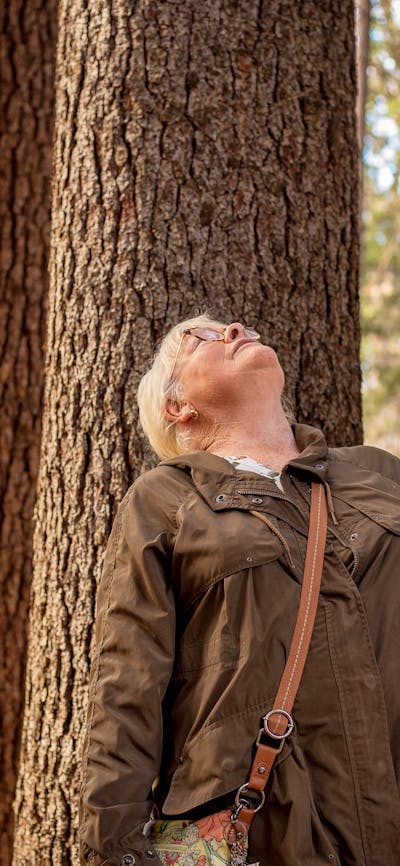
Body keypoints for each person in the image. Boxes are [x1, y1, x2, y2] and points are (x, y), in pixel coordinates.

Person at [79, 313, 400, 866]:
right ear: (178, 407)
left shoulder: (377, 472)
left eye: (232, 325)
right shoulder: (164, 500)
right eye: (200, 338)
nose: (234, 328)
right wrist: (115, 850)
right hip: (272, 833)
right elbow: (127, 685)